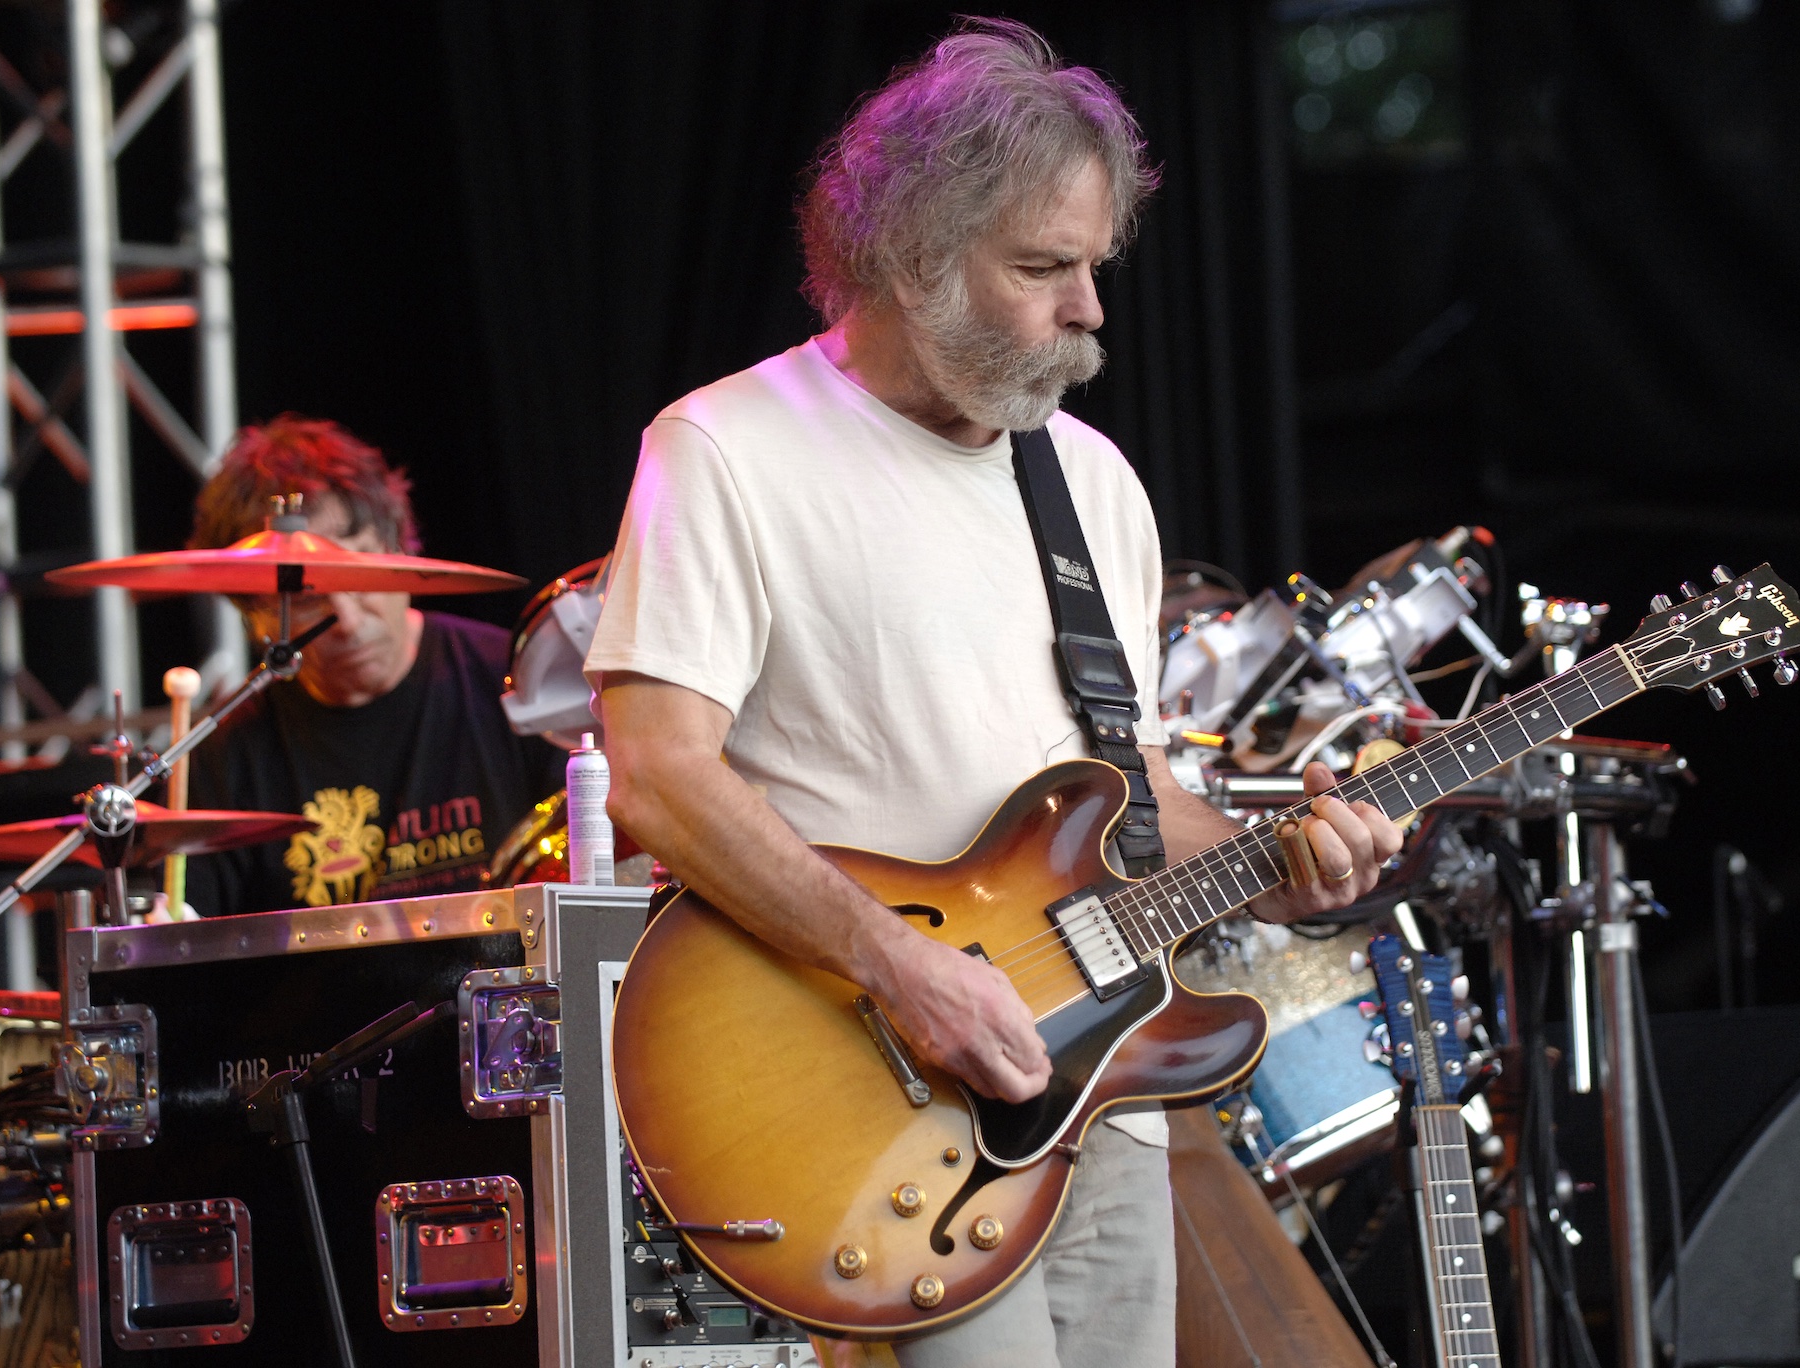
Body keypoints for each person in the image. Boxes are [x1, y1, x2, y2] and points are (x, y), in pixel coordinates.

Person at [588, 21, 1403, 1368]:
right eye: (1044, 267)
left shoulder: (1091, 483)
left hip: (1105, 1095)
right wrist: (900, 966)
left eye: (1095, 264)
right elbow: (661, 770)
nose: (1090, 308)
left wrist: (1286, 869)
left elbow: (1125, 801)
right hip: (877, 1100)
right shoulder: (728, 450)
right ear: (910, 258)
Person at [184, 415, 561, 916]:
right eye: (307, 594)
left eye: (357, 566)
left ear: (400, 549)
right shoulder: (223, 754)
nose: (346, 615)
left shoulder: (520, 683)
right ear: (255, 613)